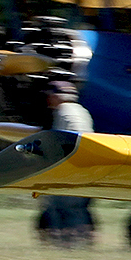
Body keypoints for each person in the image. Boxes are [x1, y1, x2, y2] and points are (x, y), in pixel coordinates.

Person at [42, 80, 95, 245]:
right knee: (77, 208)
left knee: (64, 207)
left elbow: (61, 144)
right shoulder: (81, 111)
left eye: (50, 95)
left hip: (73, 170)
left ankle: (71, 244)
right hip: (87, 168)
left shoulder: (63, 112)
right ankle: (81, 242)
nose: (48, 99)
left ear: (57, 97)